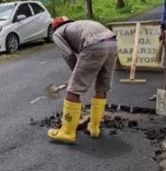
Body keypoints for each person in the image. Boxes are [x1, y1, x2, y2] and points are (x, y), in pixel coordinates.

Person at [47, 16, 117, 144]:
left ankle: (67, 132)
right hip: (112, 42)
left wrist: (75, 76)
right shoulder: (78, 25)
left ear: (54, 28)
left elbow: (68, 54)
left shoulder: (57, 33)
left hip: (94, 44)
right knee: (102, 87)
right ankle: (94, 128)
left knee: (73, 89)